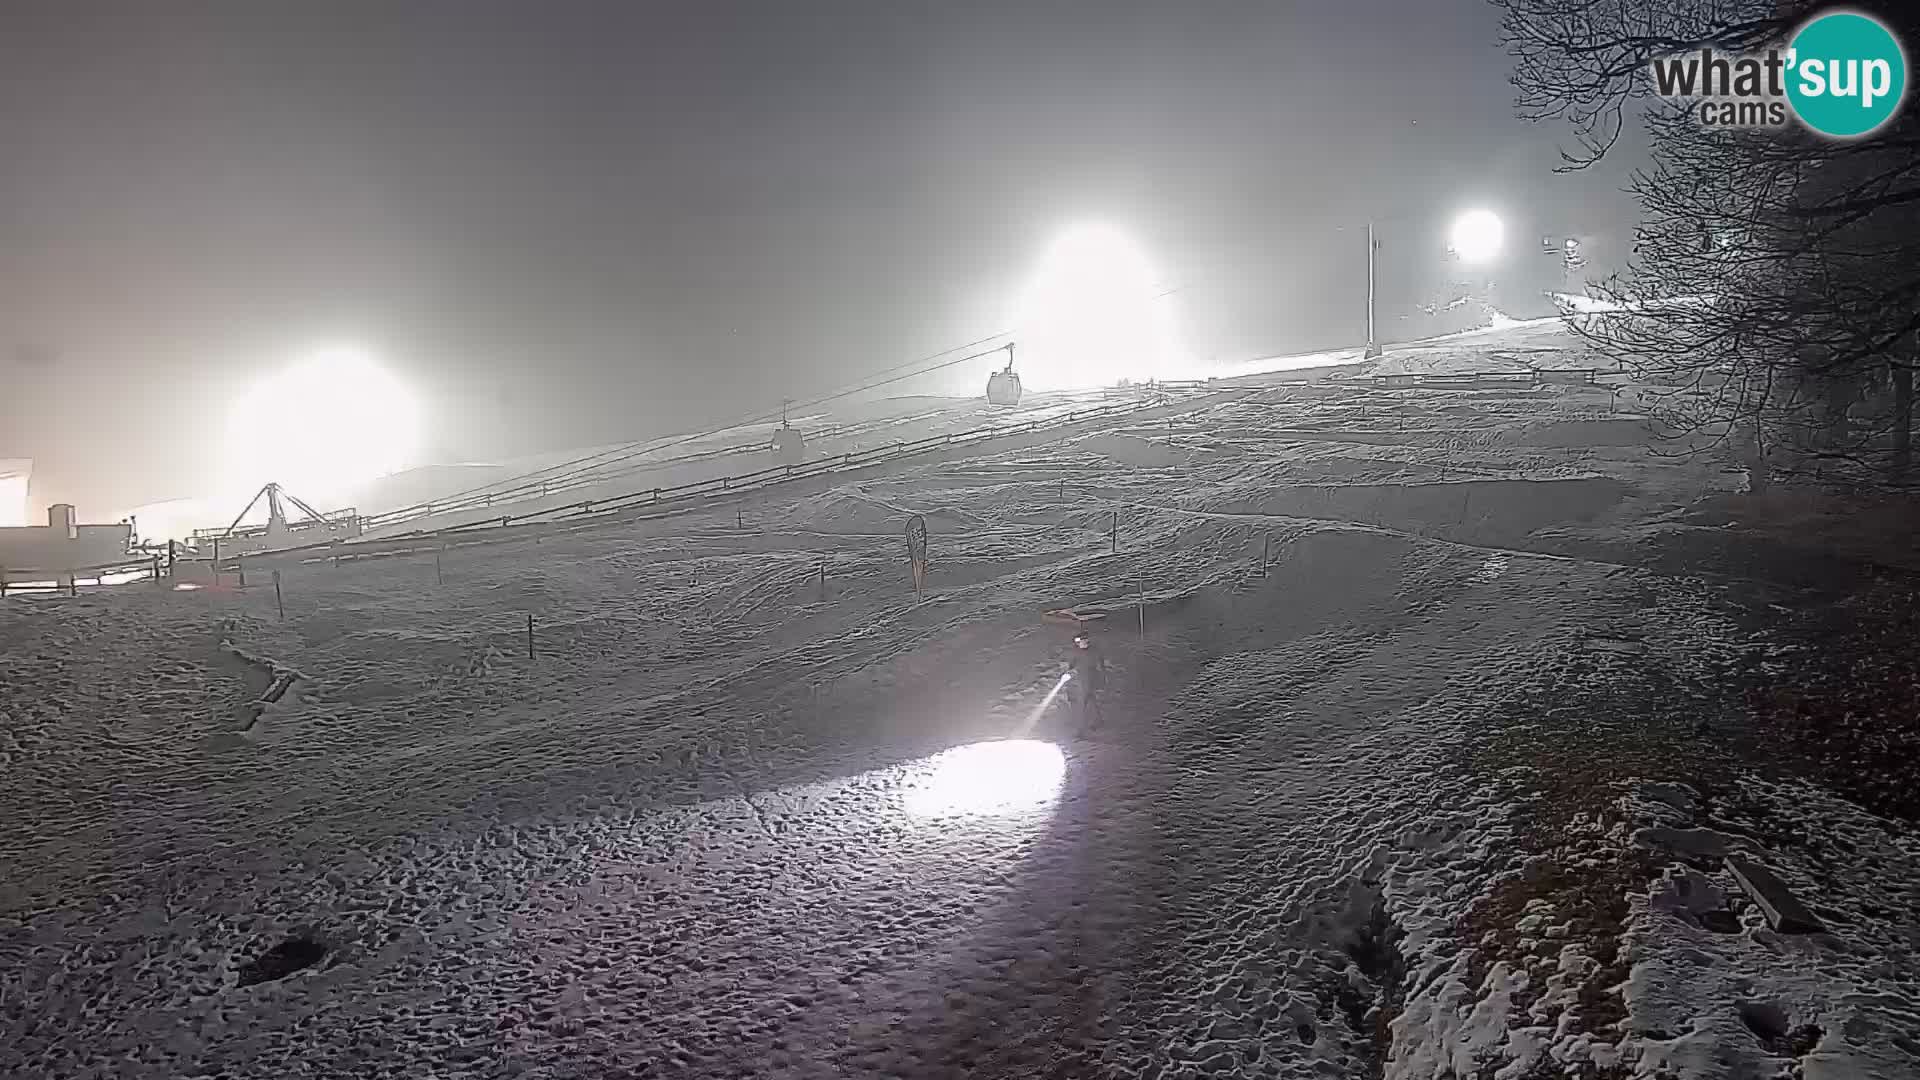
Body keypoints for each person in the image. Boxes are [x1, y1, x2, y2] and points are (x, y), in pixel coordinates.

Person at [1065, 630, 1107, 729]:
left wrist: (1102, 678)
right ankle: (1097, 720)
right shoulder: (1077, 652)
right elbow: (1072, 664)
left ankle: (1080, 727)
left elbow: (1100, 665)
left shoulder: (1093, 652)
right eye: (1079, 642)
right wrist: (1069, 671)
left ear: (1087, 641)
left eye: (1082, 641)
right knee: (1090, 700)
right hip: (1081, 679)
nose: (1080, 644)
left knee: (1083, 703)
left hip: (1089, 679)